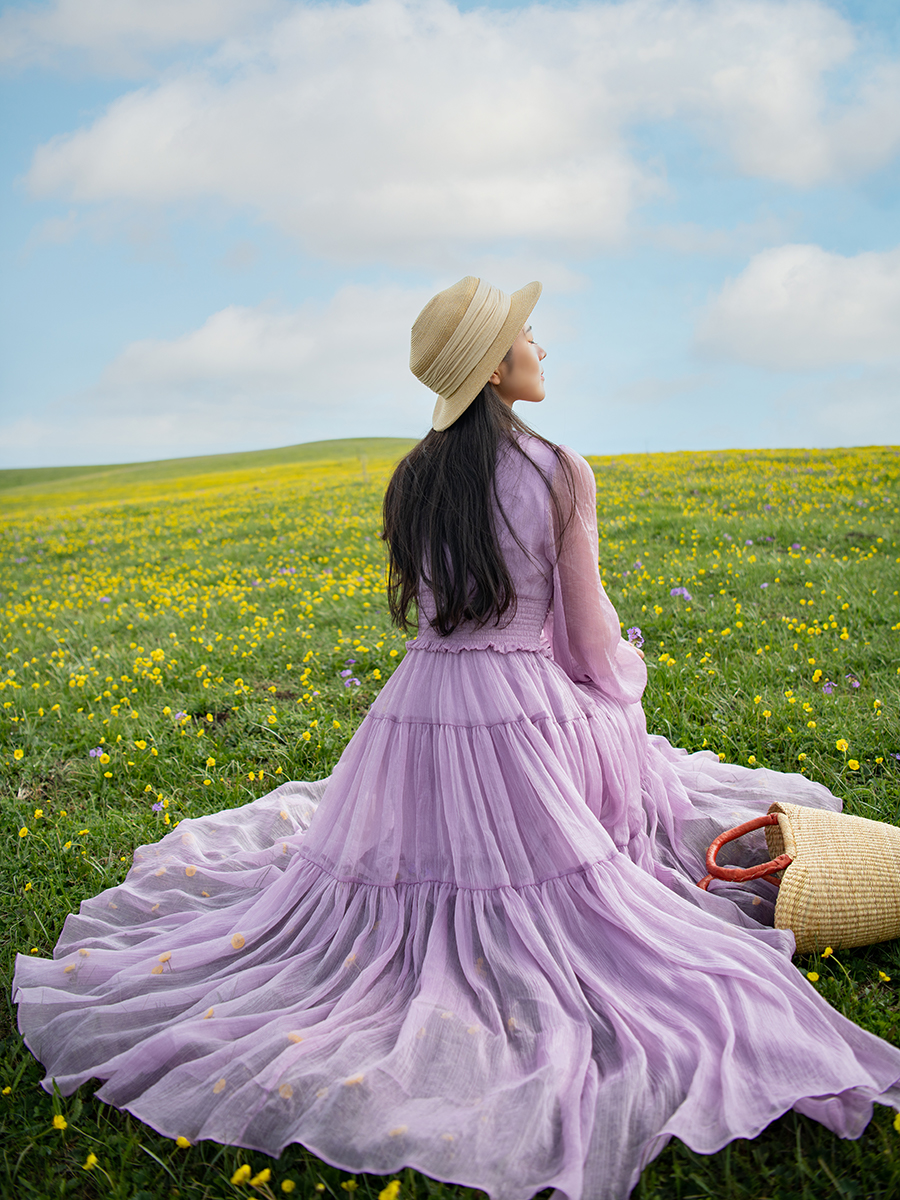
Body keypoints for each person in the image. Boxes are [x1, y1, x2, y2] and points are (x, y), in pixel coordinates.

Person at [13, 276, 900, 1200]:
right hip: (515, 702)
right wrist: (620, 688)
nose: (541, 348)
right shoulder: (558, 468)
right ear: (493, 367)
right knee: (611, 716)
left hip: (415, 709)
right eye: (527, 337)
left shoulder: (412, 477)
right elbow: (588, 636)